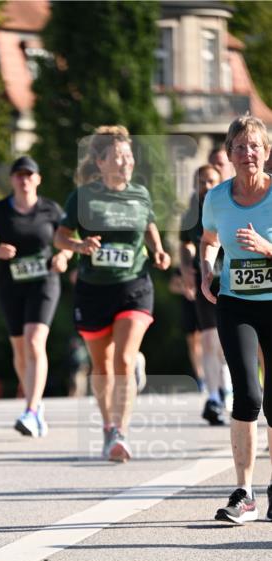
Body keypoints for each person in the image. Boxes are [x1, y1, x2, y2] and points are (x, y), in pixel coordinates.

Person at [54, 126, 171, 461]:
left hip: (134, 285)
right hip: (93, 291)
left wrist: (159, 250)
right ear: (101, 162)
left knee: (122, 359)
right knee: (102, 366)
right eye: (117, 157)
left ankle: (121, 430)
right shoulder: (83, 196)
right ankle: (108, 427)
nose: (125, 162)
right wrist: (79, 245)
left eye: (129, 156)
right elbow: (61, 237)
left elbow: (149, 224)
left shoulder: (141, 194)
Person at [200, 114, 272, 524]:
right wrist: (207, 268)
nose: (248, 154)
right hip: (236, 303)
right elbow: (208, 239)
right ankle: (244, 492)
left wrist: (266, 247)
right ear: (228, 154)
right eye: (240, 147)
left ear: (267, 152)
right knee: (247, 395)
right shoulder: (216, 198)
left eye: (255, 146)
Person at [0, 155, 71, 437]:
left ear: (38, 179)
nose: (24, 179)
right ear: (12, 179)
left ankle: (30, 409)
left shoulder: (51, 209)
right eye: (19, 174)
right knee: (19, 349)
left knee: (34, 340)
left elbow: (68, 241)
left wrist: (63, 256)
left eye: (29, 174)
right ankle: (36, 407)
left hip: (44, 282)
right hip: (10, 285)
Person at [180, 164, 227, 424]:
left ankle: (229, 388)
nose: (206, 186)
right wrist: (187, 268)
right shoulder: (192, 213)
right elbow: (185, 242)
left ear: (220, 181)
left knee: (229, 343)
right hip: (205, 282)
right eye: (201, 182)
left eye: (211, 181)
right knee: (209, 341)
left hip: (234, 282)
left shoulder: (231, 204)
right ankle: (214, 398)